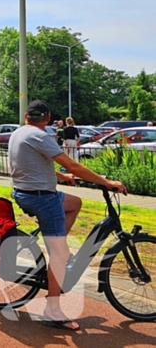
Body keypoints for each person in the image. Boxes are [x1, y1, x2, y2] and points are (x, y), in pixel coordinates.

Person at [8, 100, 127, 331]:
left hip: (26, 192)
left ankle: (59, 252)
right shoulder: (41, 136)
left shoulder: (19, 132)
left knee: (75, 203)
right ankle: (52, 309)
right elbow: (74, 165)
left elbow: (30, 162)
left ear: (26, 116)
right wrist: (106, 182)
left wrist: (59, 177)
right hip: (42, 198)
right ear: (49, 118)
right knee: (59, 253)